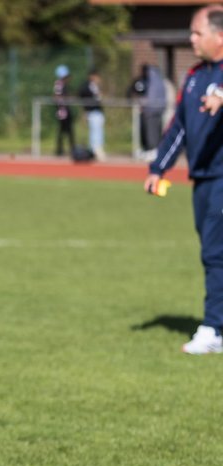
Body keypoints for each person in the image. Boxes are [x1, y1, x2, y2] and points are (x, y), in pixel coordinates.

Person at [146, 5, 223, 354]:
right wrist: (158, 168)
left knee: (215, 253)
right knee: (212, 251)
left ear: (219, 35)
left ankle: (213, 328)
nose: (191, 39)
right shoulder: (193, 77)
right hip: (203, 179)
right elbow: (179, 128)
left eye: (197, 33)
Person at [129, 63, 169, 156]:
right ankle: (151, 149)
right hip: (157, 110)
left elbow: (152, 97)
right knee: (153, 131)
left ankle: (153, 150)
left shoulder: (153, 81)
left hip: (152, 110)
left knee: (152, 132)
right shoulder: (158, 80)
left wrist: (145, 106)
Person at [80, 69, 106, 161]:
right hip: (91, 111)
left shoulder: (96, 86)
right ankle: (94, 150)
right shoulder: (86, 86)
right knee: (94, 131)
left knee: (99, 131)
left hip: (98, 111)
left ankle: (98, 149)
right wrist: (85, 110)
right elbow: (82, 96)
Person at [53, 65, 76, 158]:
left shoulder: (63, 84)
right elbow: (57, 97)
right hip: (62, 111)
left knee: (68, 131)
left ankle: (69, 149)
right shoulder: (59, 84)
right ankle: (61, 149)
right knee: (64, 130)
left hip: (65, 110)